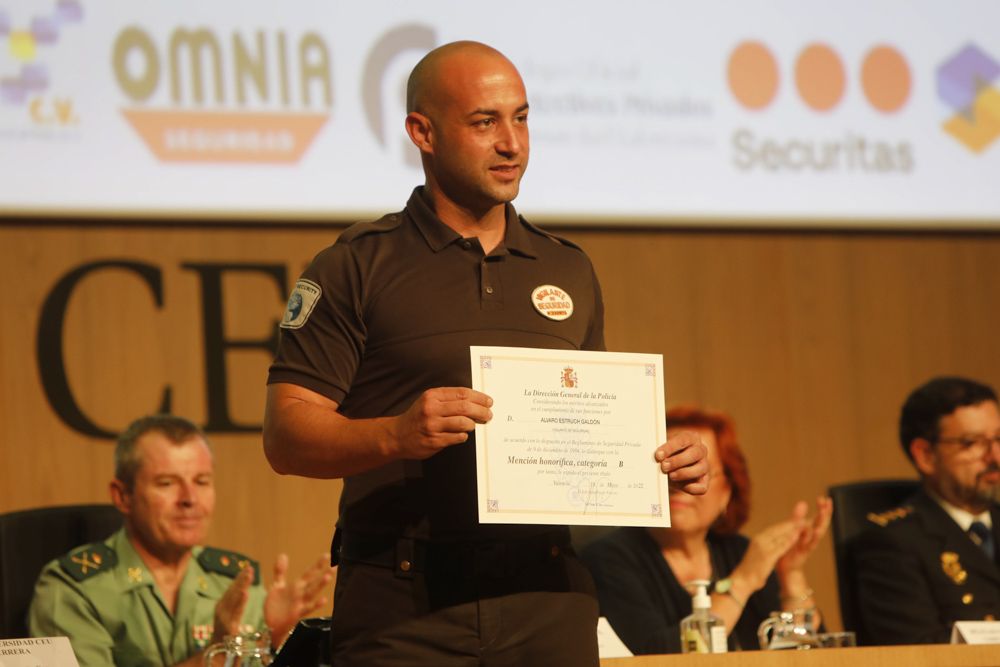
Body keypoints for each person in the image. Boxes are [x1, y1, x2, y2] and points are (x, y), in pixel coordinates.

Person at [262, 40, 709, 666]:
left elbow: (588, 428)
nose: (513, 143)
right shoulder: (355, 266)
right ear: (423, 131)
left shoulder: (568, 267)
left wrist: (663, 460)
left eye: (521, 118)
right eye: (485, 122)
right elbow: (285, 437)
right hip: (405, 608)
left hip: (547, 599)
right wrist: (395, 434)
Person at [28, 414, 335, 667]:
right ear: (122, 496)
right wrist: (215, 656)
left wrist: (280, 643)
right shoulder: (72, 589)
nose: (190, 499)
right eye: (167, 483)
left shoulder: (233, 581)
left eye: (201, 482)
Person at [581, 406, 832, 653]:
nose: (678, 483)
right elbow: (654, 655)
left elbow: (810, 653)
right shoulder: (608, 558)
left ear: (727, 492)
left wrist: (792, 575)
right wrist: (742, 582)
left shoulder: (739, 551)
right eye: (667, 468)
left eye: (697, 469)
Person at [854, 376, 1000, 644]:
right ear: (925, 455)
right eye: (972, 443)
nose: (995, 457)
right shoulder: (894, 543)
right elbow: (917, 653)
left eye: (999, 439)